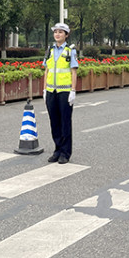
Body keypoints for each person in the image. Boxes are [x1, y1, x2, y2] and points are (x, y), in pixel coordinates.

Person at [43, 22, 78, 164]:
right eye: (55, 32)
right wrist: (44, 89)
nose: (57, 34)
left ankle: (65, 152)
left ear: (66, 35)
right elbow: (46, 70)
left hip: (65, 91)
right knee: (54, 122)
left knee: (65, 122)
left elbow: (73, 72)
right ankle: (57, 150)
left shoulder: (70, 51)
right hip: (51, 91)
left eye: (60, 32)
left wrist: (73, 91)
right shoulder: (50, 50)